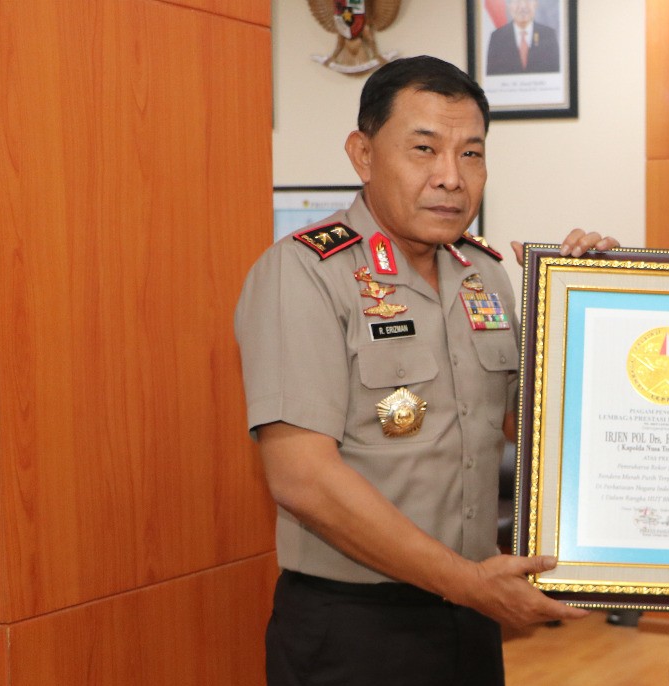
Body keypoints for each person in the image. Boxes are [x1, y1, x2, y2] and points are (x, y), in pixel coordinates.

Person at [235, 55, 615, 685]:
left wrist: (599, 301)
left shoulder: (486, 273)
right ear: (362, 155)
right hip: (354, 627)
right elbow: (302, 479)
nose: (450, 178)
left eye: (471, 154)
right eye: (424, 149)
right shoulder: (302, 274)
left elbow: (542, 431)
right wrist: (466, 583)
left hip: (470, 615)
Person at [486, 0, 560, 75]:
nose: (523, 6)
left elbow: (554, 74)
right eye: (516, 1)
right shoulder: (497, 37)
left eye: (528, 1)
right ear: (508, 5)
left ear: (536, 4)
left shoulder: (548, 35)